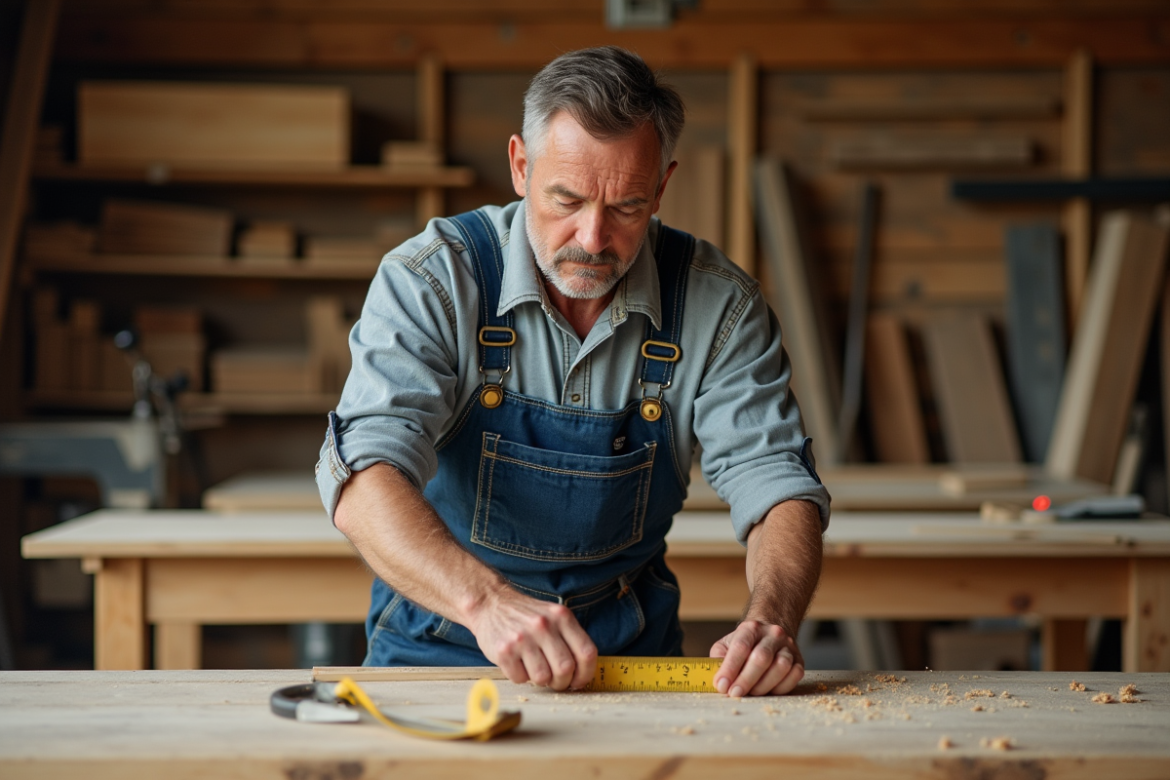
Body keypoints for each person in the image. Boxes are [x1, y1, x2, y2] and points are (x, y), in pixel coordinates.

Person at [317, 46, 830, 697]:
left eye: (626, 208)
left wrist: (772, 617)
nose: (592, 238)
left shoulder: (718, 304)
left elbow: (774, 479)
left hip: (626, 655)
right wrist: (485, 603)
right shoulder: (433, 279)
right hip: (440, 647)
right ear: (520, 166)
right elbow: (364, 474)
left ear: (662, 188)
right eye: (567, 200)